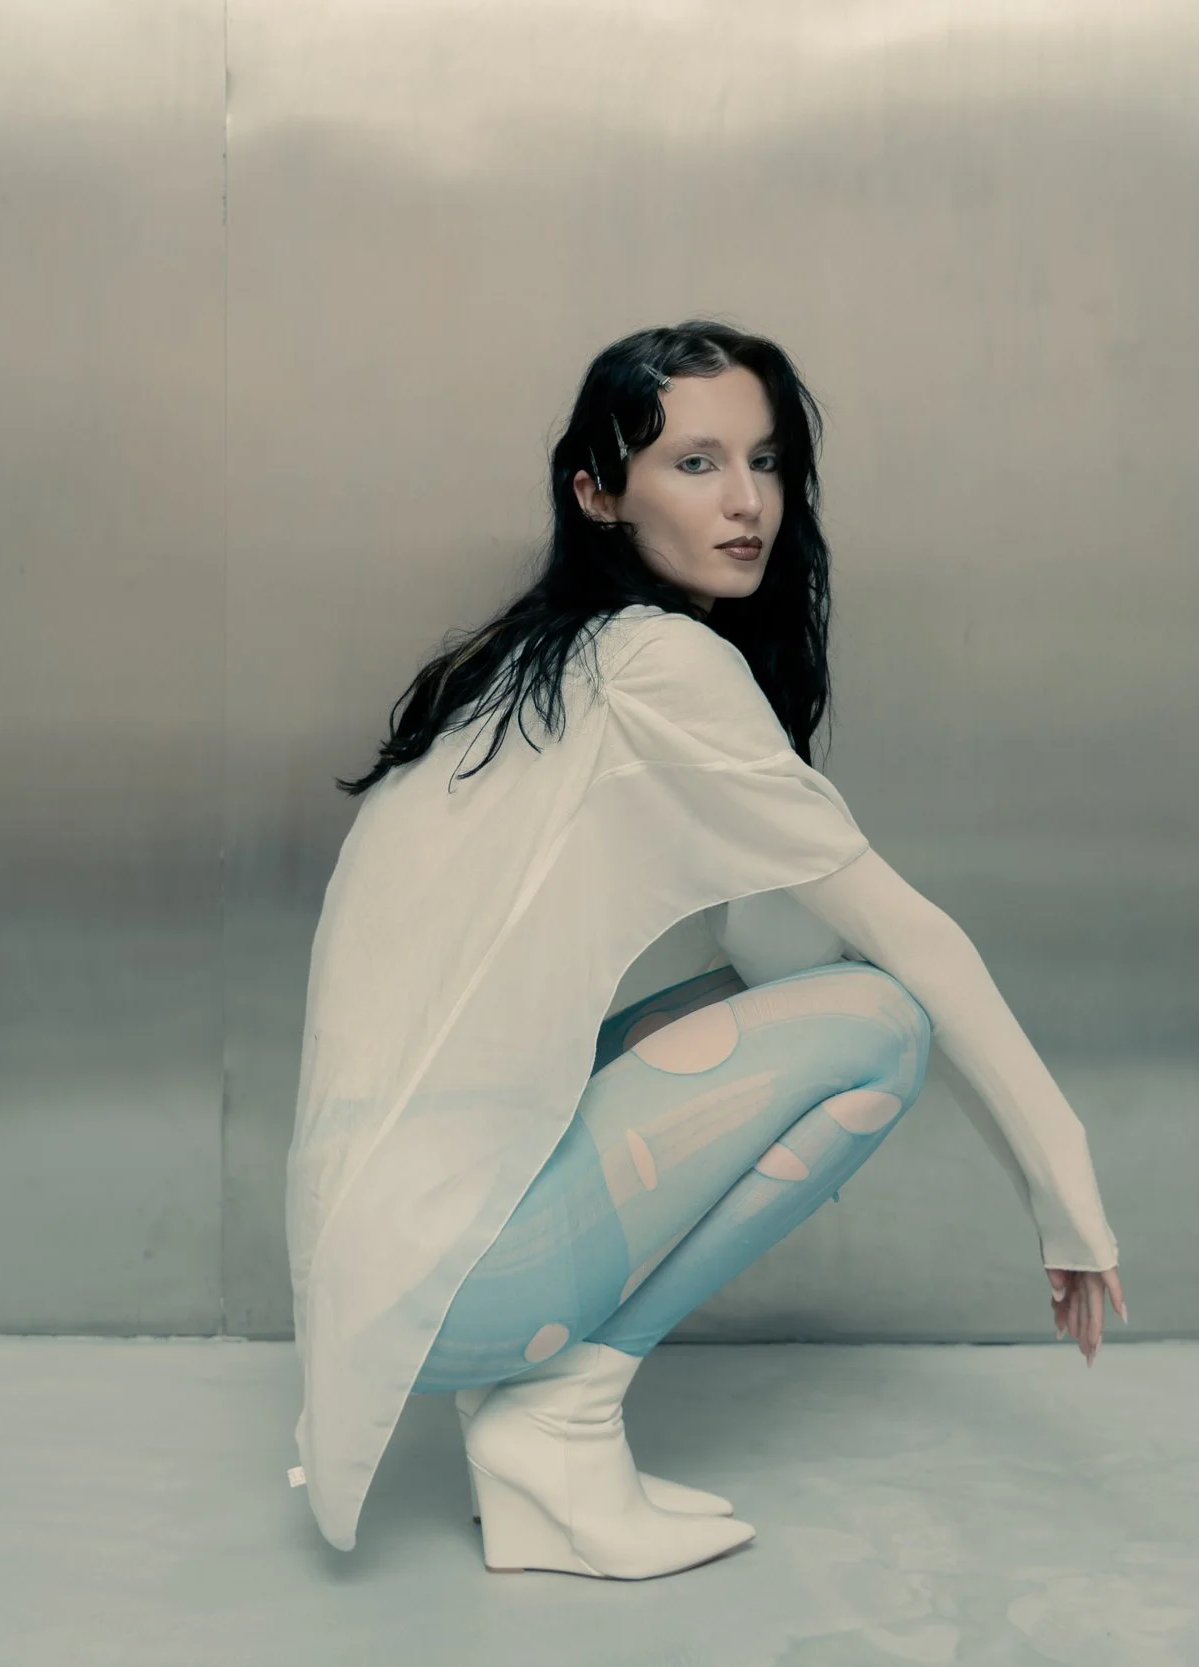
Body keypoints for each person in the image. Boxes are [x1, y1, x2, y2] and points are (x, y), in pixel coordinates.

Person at [286, 319, 1128, 1579]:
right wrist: (1064, 1191)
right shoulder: (660, 662)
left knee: (815, 995)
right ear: (598, 492)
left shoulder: (548, 659)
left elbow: (774, 953)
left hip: (389, 1263)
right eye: (695, 463)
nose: (747, 502)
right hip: (465, 1279)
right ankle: (558, 1417)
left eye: (765, 460)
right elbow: (905, 947)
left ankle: (539, 1447)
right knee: (881, 1023)